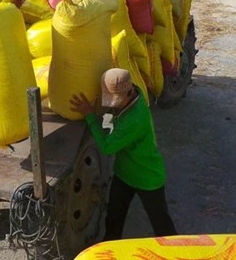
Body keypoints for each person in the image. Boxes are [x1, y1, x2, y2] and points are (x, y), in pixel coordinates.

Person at [69, 68, 177, 241]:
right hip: (124, 175)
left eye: (115, 100)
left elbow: (106, 147)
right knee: (113, 222)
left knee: (163, 228)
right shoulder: (136, 92)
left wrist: (89, 115)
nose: (112, 103)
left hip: (147, 178)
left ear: (129, 93)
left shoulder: (134, 119)